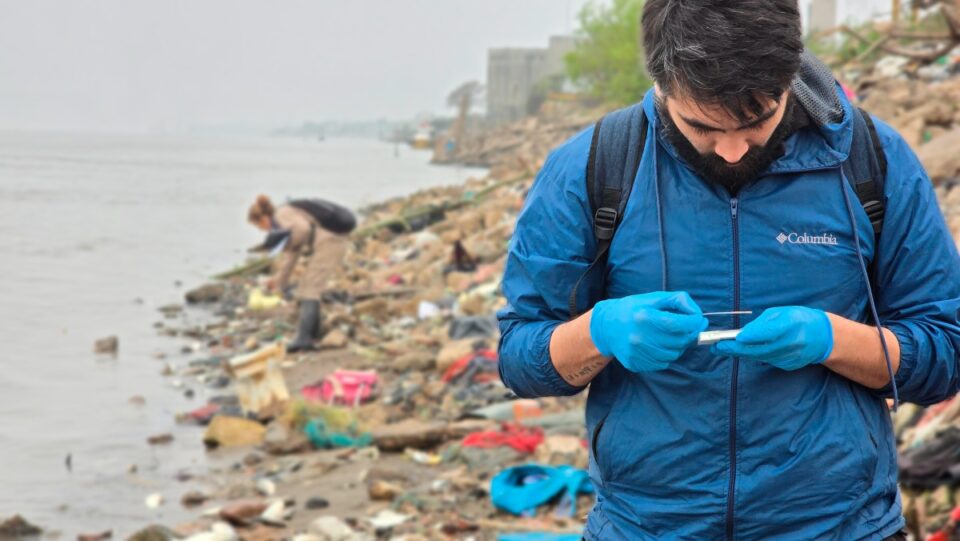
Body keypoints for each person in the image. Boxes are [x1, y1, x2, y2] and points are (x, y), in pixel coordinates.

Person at [497, 1, 960, 539]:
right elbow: (518, 357)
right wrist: (598, 332)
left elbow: (946, 352)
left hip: (842, 527)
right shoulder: (596, 166)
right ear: (662, 85)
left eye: (757, 120)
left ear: (791, 76)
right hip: (645, 527)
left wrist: (832, 339)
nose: (734, 150)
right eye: (702, 127)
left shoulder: (871, 162)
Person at [248, 195, 353, 353]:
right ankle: (314, 332)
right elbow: (293, 253)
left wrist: (287, 245)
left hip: (331, 239)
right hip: (329, 238)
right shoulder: (283, 221)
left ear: (263, 218)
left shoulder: (282, 215)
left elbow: (302, 231)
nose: (262, 230)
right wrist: (278, 282)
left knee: (311, 288)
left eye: (258, 226)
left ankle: (303, 339)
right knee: (307, 287)